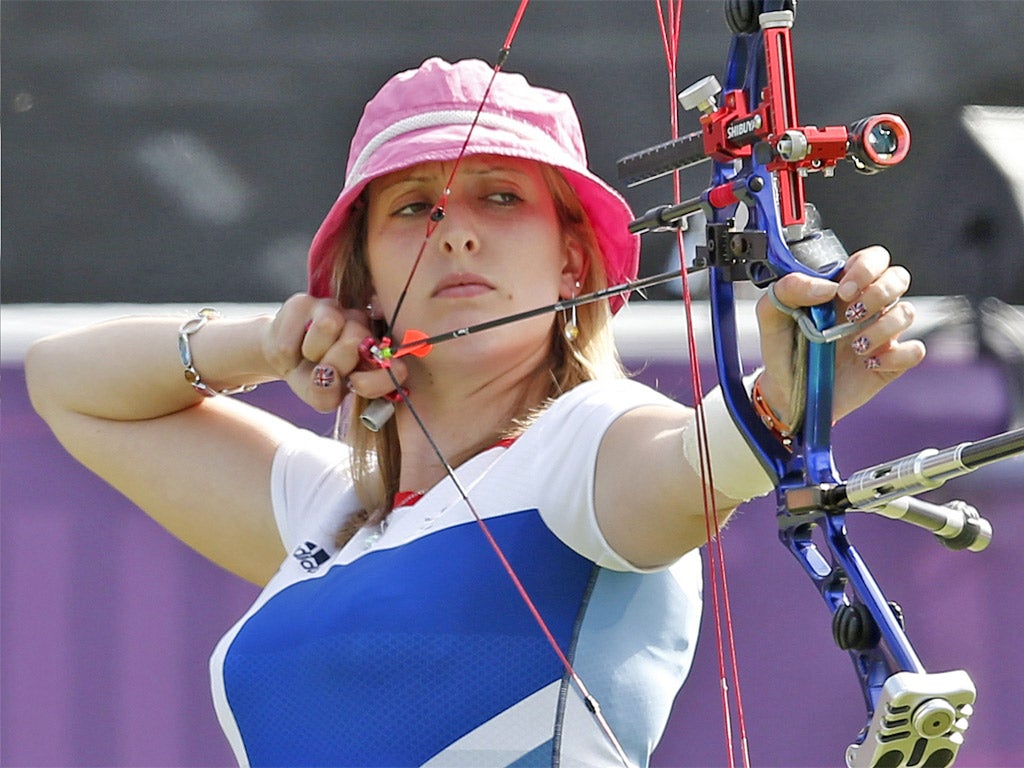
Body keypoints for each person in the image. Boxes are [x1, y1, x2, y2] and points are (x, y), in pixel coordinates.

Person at [25, 57, 924, 767]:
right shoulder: (329, 514)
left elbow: (693, 464)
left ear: (573, 261)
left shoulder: (583, 444)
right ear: (365, 276)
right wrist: (267, 344)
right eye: (415, 207)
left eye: (501, 196)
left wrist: (784, 403)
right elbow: (68, 386)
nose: (456, 230)